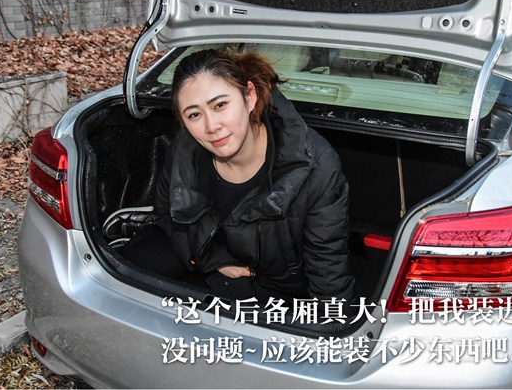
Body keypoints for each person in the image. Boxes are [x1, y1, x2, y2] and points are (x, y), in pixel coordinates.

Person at [123, 48, 355, 307]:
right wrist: (213, 259)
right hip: (207, 256)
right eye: (194, 114)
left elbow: (327, 269)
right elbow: (166, 215)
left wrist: (331, 323)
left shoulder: (316, 166)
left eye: (220, 105)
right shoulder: (185, 149)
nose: (211, 126)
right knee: (125, 273)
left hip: (273, 284)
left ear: (249, 96)